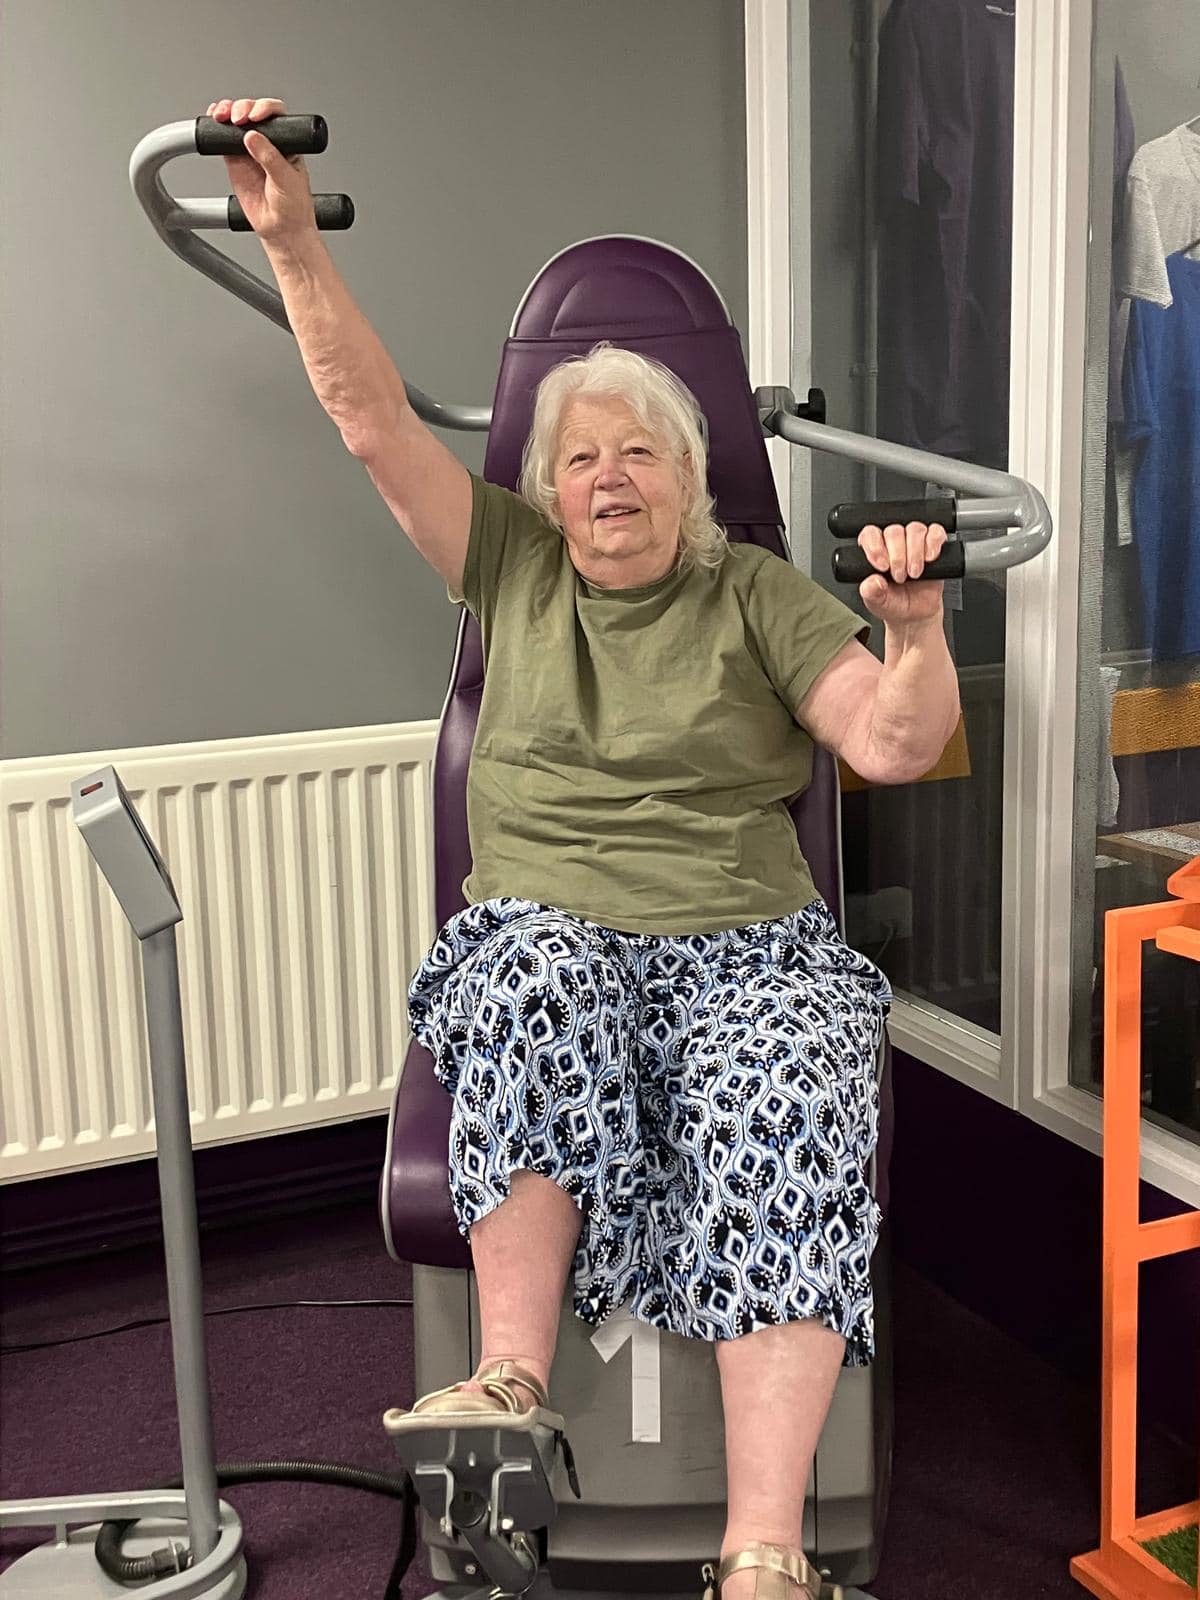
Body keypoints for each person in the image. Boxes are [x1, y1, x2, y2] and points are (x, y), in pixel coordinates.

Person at [207, 96, 961, 1600]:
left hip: (745, 943)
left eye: (643, 454)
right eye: (580, 458)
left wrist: (919, 628)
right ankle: (505, 1391)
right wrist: (289, 244)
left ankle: (763, 1549)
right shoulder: (511, 567)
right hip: (557, 926)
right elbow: (367, 418)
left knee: (791, 1077)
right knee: (527, 977)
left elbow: (891, 739)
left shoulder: (754, 594)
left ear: (693, 483)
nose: (610, 477)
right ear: (544, 491)